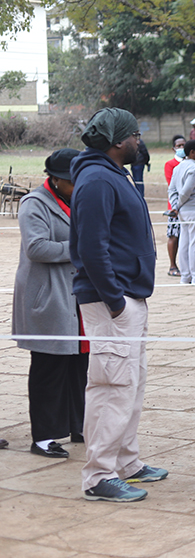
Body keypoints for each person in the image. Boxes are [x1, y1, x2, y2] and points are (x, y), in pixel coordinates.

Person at [70, 107, 164, 503]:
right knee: (112, 385)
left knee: (130, 382)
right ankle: (99, 475)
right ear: (116, 142)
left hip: (128, 296)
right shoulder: (95, 179)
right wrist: (113, 300)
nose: (139, 141)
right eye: (134, 136)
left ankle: (127, 462)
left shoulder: (109, 174)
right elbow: (91, 247)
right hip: (113, 301)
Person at [13, 148, 88, 458]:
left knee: (79, 367)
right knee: (49, 369)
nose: (77, 185)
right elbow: (37, 247)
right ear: (55, 180)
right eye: (72, 181)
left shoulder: (77, 200)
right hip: (48, 297)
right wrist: (81, 249)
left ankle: (79, 425)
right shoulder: (34, 204)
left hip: (77, 299)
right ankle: (43, 437)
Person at [168, 140, 195, 285]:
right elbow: (186, 191)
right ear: (192, 152)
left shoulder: (179, 167)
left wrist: (176, 206)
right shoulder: (193, 169)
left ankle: (186, 275)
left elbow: (172, 190)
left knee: (185, 243)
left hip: (183, 212)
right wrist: (177, 206)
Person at [163, 135, 185, 276]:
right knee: (174, 235)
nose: (181, 148)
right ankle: (172, 265)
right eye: (179, 146)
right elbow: (172, 184)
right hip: (175, 206)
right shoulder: (170, 164)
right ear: (173, 148)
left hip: (188, 205)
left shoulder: (190, 162)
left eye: (184, 145)